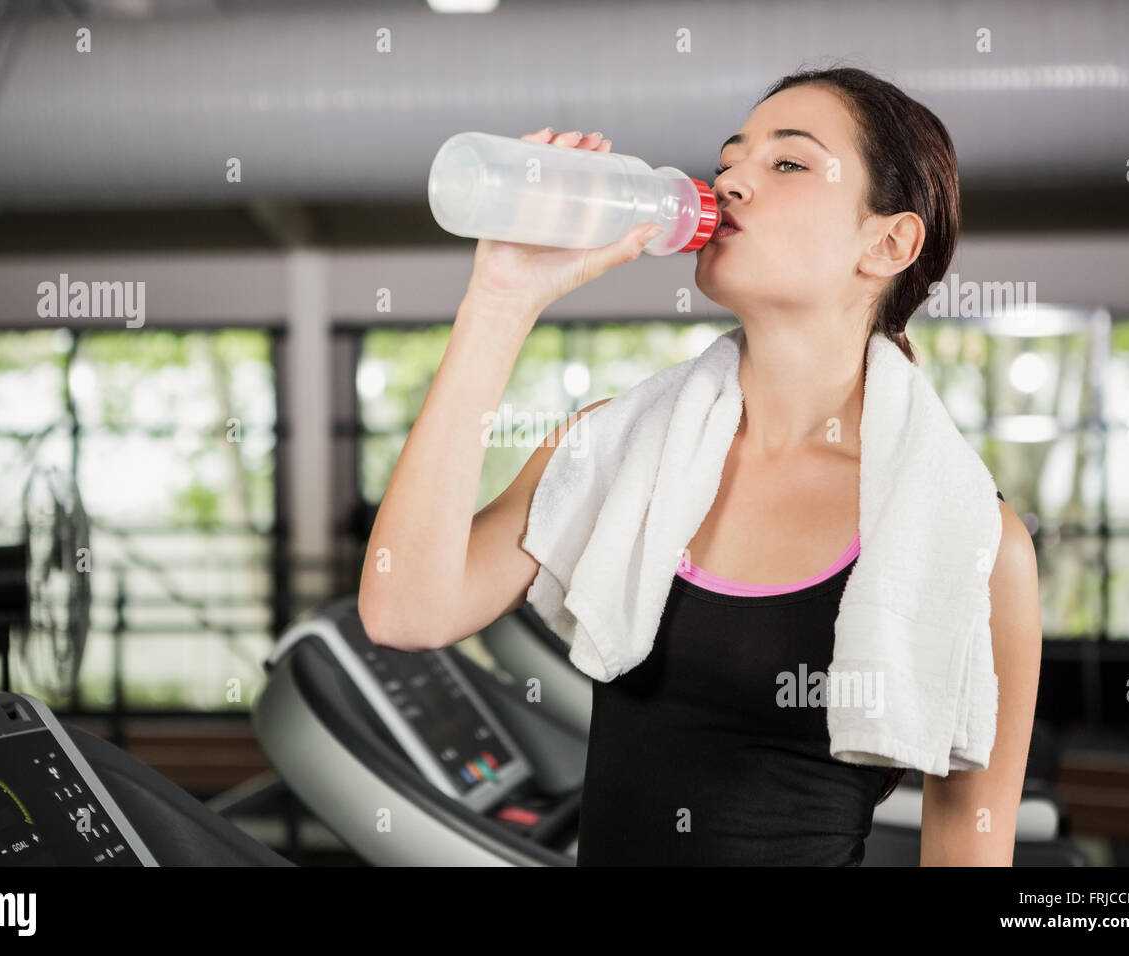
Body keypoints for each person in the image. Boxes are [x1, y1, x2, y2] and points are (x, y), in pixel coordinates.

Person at [359, 65, 1042, 866]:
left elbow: (969, 841)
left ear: (887, 242)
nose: (730, 182)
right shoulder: (615, 450)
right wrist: (501, 299)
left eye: (787, 163)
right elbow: (404, 610)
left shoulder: (973, 540)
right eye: (728, 160)